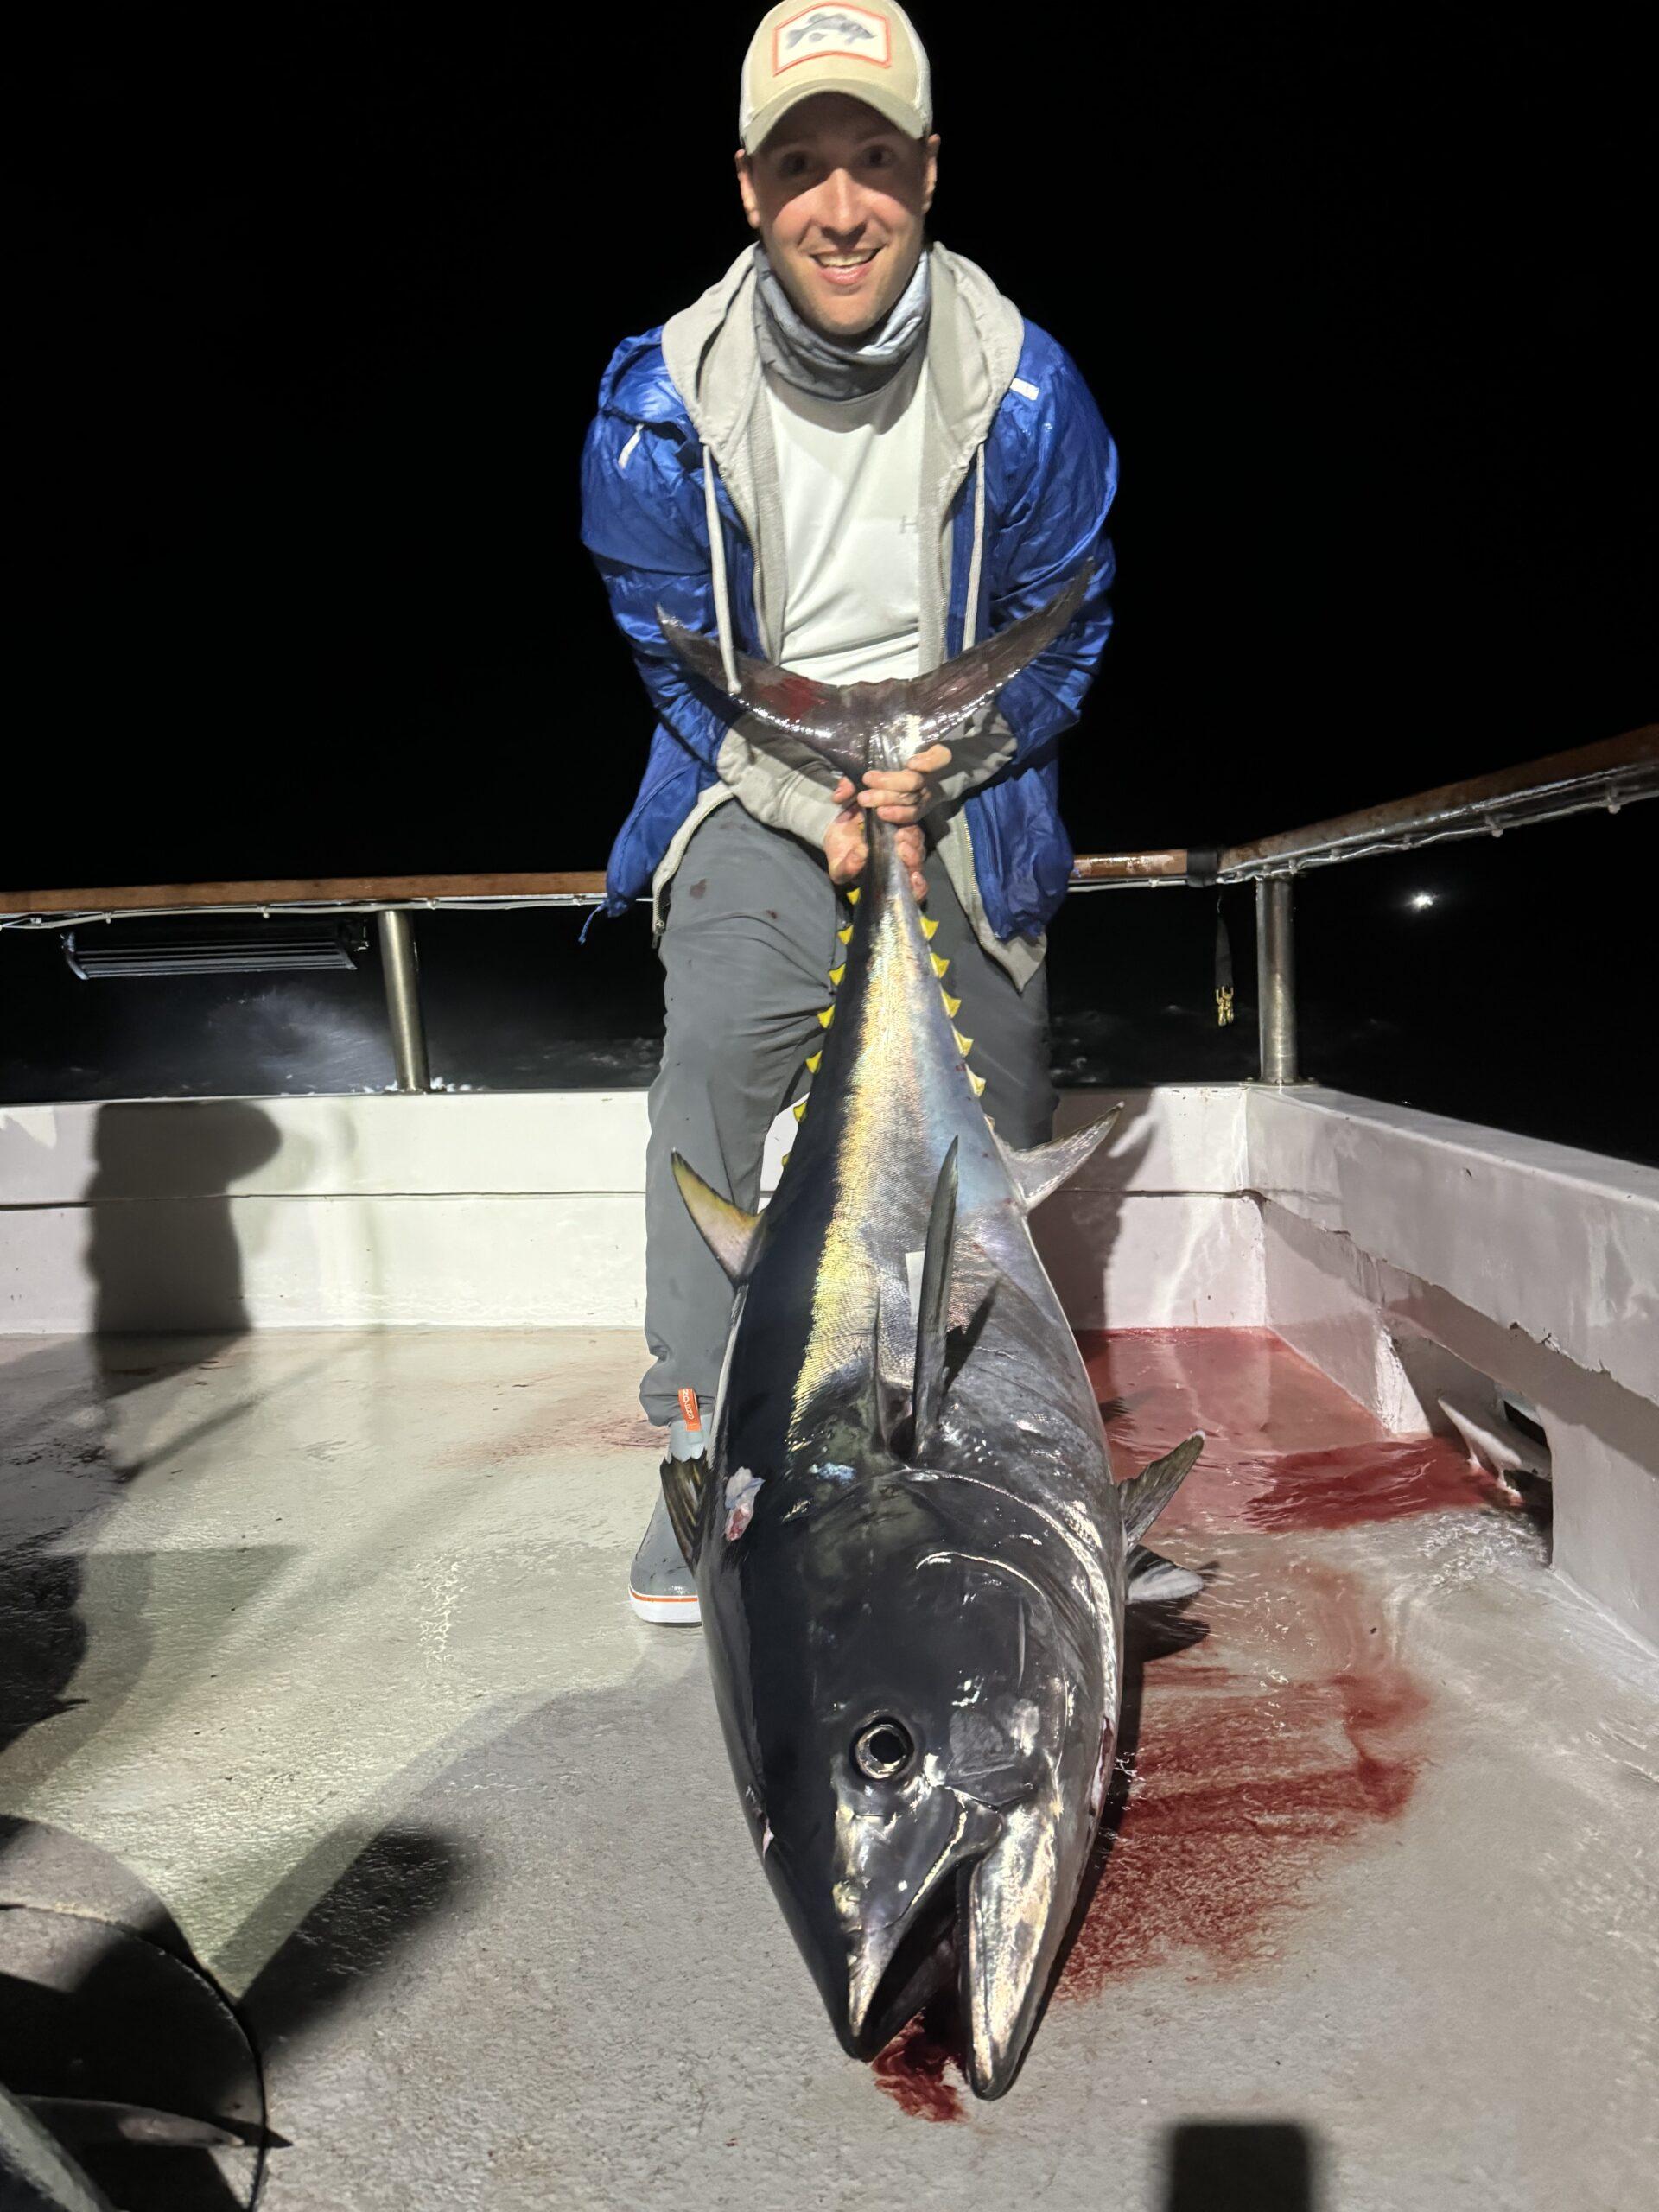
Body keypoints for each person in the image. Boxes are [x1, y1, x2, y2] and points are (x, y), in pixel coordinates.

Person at [580, 1, 1118, 1622]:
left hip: (967, 773)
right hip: (759, 774)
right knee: (724, 1048)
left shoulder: (1029, 391)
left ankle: (988, 1444)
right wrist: (808, 791)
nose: (839, 204)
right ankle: (705, 1456)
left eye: (872, 160)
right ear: (747, 187)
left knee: (993, 1124)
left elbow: (1065, 632)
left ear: (929, 171)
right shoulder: (657, 404)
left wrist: (935, 774)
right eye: (801, 164)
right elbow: (676, 663)